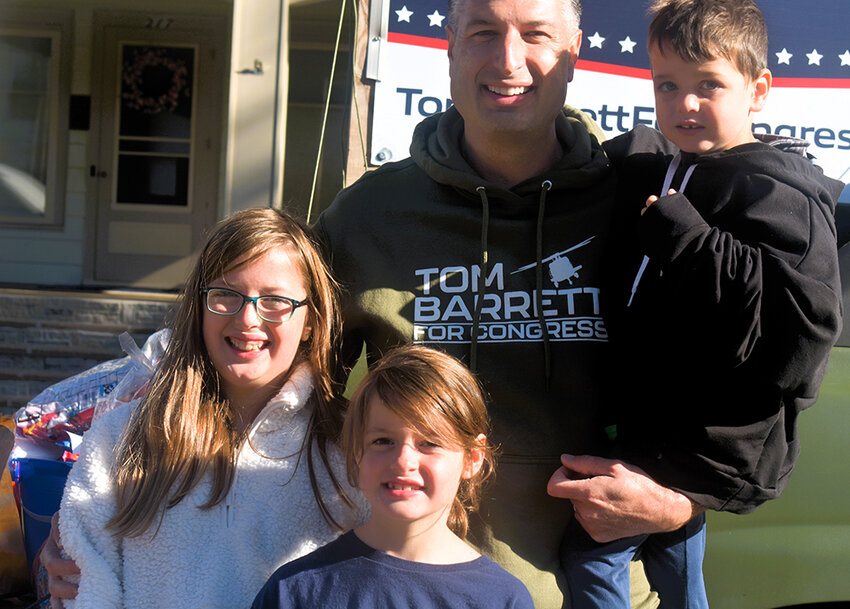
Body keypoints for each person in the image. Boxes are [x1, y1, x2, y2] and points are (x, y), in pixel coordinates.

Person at [315, 0, 700, 606]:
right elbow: (293, 399)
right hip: (418, 592)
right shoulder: (367, 215)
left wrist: (682, 500)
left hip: (610, 593)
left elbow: (741, 373)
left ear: (574, 53)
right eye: (484, 33)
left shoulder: (649, 204)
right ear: (449, 48)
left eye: (536, 36)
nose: (508, 60)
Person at [557, 0, 844, 607]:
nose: (684, 104)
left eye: (708, 84)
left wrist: (689, 240)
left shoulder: (776, 191)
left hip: (708, 436)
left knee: (591, 552)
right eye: (667, 85)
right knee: (672, 550)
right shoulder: (674, 169)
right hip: (655, 424)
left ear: (758, 90)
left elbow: (800, 331)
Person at [50, 208, 367, 609]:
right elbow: (89, 582)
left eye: (274, 301)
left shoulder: (351, 447)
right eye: (226, 296)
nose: (247, 318)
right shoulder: (120, 438)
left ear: (309, 320)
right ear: (200, 307)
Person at [251, 344, 534, 609]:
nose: (403, 461)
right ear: (356, 450)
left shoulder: (502, 598)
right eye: (383, 441)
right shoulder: (294, 590)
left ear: (472, 459)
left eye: (430, 443)